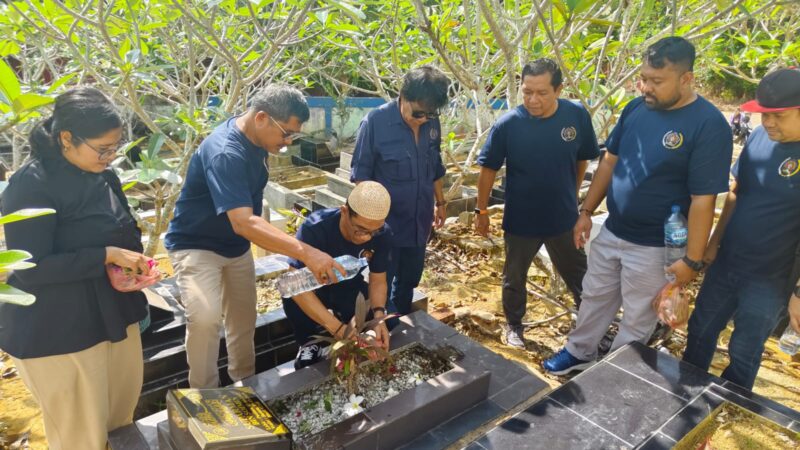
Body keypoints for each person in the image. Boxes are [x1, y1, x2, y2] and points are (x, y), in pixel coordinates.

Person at [543, 36, 733, 375]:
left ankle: (614, 372)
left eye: (656, 81)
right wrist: (586, 211)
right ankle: (579, 351)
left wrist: (691, 259)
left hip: (656, 245)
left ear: (686, 79)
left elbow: (703, 201)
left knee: (638, 314)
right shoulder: (635, 109)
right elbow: (609, 163)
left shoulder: (708, 125)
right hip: (614, 230)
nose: (645, 87)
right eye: (643, 77)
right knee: (594, 296)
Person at [0, 87, 152, 450]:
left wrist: (131, 263)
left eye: (116, 147)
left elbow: (122, 227)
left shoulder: (102, 174)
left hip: (114, 316)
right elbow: (31, 267)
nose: (111, 156)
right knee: (80, 438)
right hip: (60, 330)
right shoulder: (31, 186)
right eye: (103, 148)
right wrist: (105, 255)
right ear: (66, 138)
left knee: (119, 425)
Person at [164, 85, 344, 388]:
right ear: (261, 117)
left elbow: (247, 220)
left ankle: (244, 385)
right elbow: (244, 222)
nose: (287, 143)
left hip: (234, 248)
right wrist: (307, 252)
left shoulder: (259, 144)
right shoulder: (225, 152)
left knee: (243, 320)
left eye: (293, 137)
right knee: (206, 318)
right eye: (286, 134)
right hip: (196, 245)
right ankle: (204, 396)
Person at [683, 68, 800, 390]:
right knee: (701, 330)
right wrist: (713, 243)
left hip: (771, 278)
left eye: (779, 115)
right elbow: (737, 191)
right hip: (727, 262)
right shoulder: (761, 136)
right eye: (764, 115)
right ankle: (683, 400)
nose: (769, 123)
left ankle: (725, 407)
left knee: (744, 350)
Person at [474, 58, 599, 349]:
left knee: (580, 275)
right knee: (514, 276)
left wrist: (573, 192)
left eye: (542, 93)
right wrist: (480, 210)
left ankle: (593, 326)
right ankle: (514, 325)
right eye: (527, 91)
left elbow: (583, 158)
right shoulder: (509, 124)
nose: (533, 99)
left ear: (559, 90)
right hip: (522, 219)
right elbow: (488, 168)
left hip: (563, 217)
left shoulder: (576, 116)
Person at [350, 66, 450, 317]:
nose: (423, 119)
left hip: (419, 223)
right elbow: (361, 177)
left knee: (409, 281)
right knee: (380, 281)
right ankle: (381, 328)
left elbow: (435, 166)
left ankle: (401, 321)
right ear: (402, 96)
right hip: (387, 228)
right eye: (418, 112)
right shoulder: (376, 122)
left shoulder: (431, 122)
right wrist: (368, 226)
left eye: (430, 113)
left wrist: (440, 203)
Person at [283, 181, 393, 369]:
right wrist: (336, 328)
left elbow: (378, 280)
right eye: (361, 229)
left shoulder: (383, 234)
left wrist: (378, 317)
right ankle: (309, 343)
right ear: (344, 211)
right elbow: (293, 284)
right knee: (292, 298)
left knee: (391, 320)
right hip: (314, 287)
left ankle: (360, 332)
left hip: (348, 285)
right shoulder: (315, 228)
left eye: (374, 231)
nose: (367, 238)